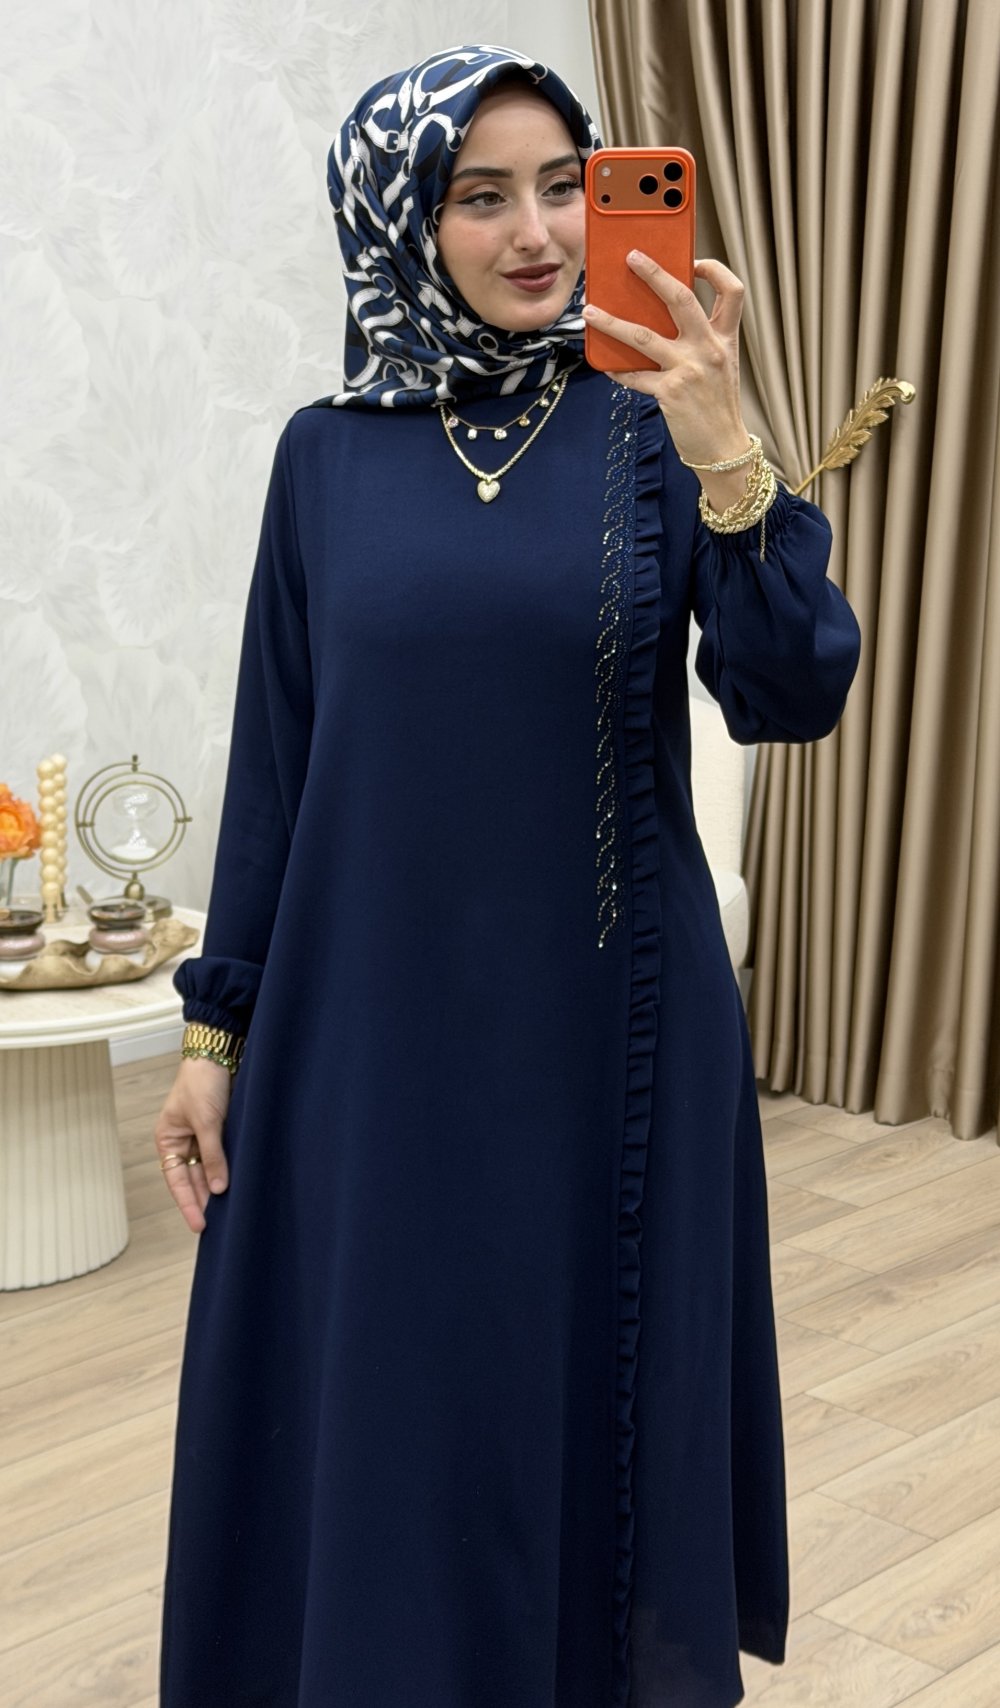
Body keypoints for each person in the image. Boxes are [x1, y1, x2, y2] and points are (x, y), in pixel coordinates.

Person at [155, 43, 860, 1708]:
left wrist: (729, 448)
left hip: (608, 1024)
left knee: (585, 1399)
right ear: (405, 218)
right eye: (481, 197)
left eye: (563, 186)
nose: (537, 233)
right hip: (370, 1030)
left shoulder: (650, 428)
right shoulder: (325, 458)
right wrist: (213, 1034)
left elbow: (793, 690)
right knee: (390, 1397)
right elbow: (278, 766)